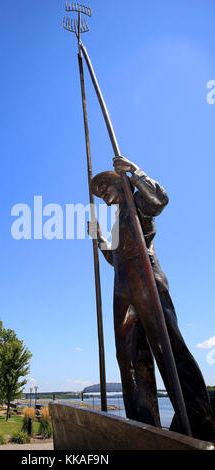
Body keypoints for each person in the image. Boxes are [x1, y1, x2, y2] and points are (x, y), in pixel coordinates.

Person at [88, 155, 215, 442]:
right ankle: (142, 425)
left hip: (147, 281)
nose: (105, 198)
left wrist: (134, 171)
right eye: (100, 195)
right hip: (122, 288)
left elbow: (160, 199)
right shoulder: (118, 219)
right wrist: (100, 241)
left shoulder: (136, 204)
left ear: (118, 183)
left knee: (167, 347)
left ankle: (198, 420)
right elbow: (115, 258)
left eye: (105, 191)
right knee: (128, 356)